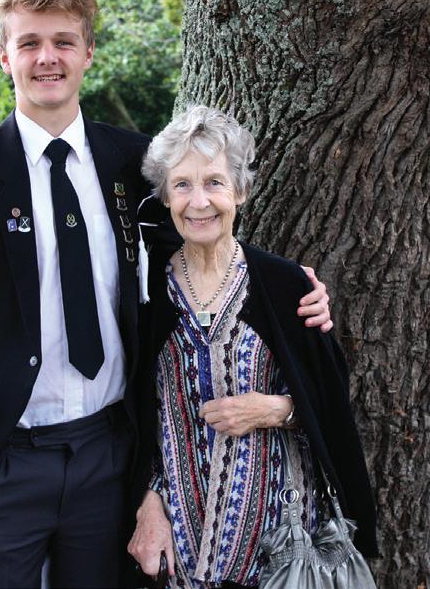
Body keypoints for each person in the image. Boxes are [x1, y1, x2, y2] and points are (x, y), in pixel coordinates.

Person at [0, 0, 333, 589]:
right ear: (4, 56)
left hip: (107, 459)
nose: (47, 58)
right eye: (29, 43)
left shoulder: (132, 161)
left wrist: (293, 288)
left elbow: (202, 244)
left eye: (64, 41)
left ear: (88, 53)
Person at [128, 106, 378, 588]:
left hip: (280, 550)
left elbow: (332, 402)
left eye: (214, 183)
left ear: (240, 190)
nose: (199, 201)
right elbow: (136, 415)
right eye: (182, 185)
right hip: (179, 547)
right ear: (165, 196)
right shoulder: (145, 291)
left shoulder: (285, 286)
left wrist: (278, 409)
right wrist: (147, 499)